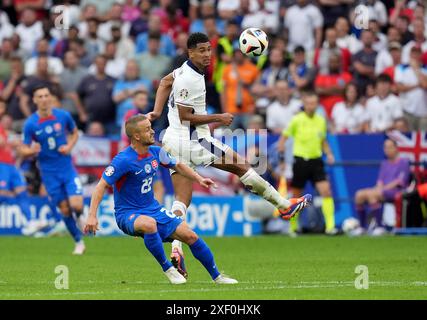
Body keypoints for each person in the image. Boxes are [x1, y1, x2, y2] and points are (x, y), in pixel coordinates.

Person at [147, 32, 312, 278]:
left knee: (182, 199)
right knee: (242, 165)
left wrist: (155, 112)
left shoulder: (182, 69)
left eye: (208, 49)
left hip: (172, 140)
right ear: (190, 52)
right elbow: (185, 115)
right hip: (194, 139)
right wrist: (219, 118)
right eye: (201, 50)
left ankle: (176, 248)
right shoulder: (190, 79)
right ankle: (284, 205)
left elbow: (163, 83)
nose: (207, 55)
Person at [84, 114, 237, 285]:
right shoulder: (123, 160)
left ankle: (218, 277)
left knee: (191, 236)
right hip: (127, 214)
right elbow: (100, 186)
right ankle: (169, 269)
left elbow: (177, 165)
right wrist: (91, 215)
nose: (152, 131)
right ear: (136, 136)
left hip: (153, 209)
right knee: (149, 224)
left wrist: (199, 178)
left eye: (151, 127)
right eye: (148, 129)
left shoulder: (156, 152)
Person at [20, 85, 86, 255]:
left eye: (46, 95)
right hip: (48, 173)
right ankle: (79, 242)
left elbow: (75, 133)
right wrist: (31, 151)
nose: (43, 99)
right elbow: (23, 149)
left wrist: (69, 146)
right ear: (34, 100)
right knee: (64, 209)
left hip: (67, 168)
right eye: (39, 96)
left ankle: (79, 216)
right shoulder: (30, 124)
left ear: (50, 98)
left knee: (77, 204)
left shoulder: (63, 116)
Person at [277, 91, 337, 235]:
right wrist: (282, 160)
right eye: (309, 103)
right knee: (296, 196)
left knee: (326, 191)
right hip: (300, 161)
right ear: (304, 105)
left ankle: (330, 227)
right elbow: (283, 140)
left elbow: (323, 141)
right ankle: (293, 228)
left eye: (314, 103)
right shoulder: (297, 120)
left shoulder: (321, 120)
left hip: (316, 161)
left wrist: (329, 154)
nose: (312, 106)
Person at [354, 139, 410, 236]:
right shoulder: (384, 163)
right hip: (382, 190)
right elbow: (380, 181)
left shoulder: (403, 162)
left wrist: (382, 189)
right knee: (359, 194)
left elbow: (399, 182)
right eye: (385, 147)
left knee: (373, 194)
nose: (387, 150)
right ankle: (362, 227)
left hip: (397, 191)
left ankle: (380, 227)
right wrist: (377, 188)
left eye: (390, 147)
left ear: (396, 148)